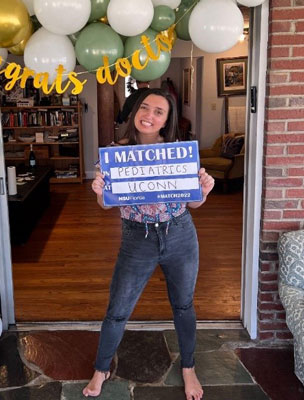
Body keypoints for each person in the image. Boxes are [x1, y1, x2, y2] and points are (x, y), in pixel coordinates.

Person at [83, 88, 215, 400]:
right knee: (118, 309)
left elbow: (193, 203)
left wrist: (204, 191)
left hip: (180, 233)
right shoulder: (115, 154)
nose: (149, 116)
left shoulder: (178, 152)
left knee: (183, 304)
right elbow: (106, 205)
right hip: (136, 238)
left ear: (166, 120)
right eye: (145, 108)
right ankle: (101, 368)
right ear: (134, 112)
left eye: (159, 112)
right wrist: (100, 190)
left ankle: (189, 367)